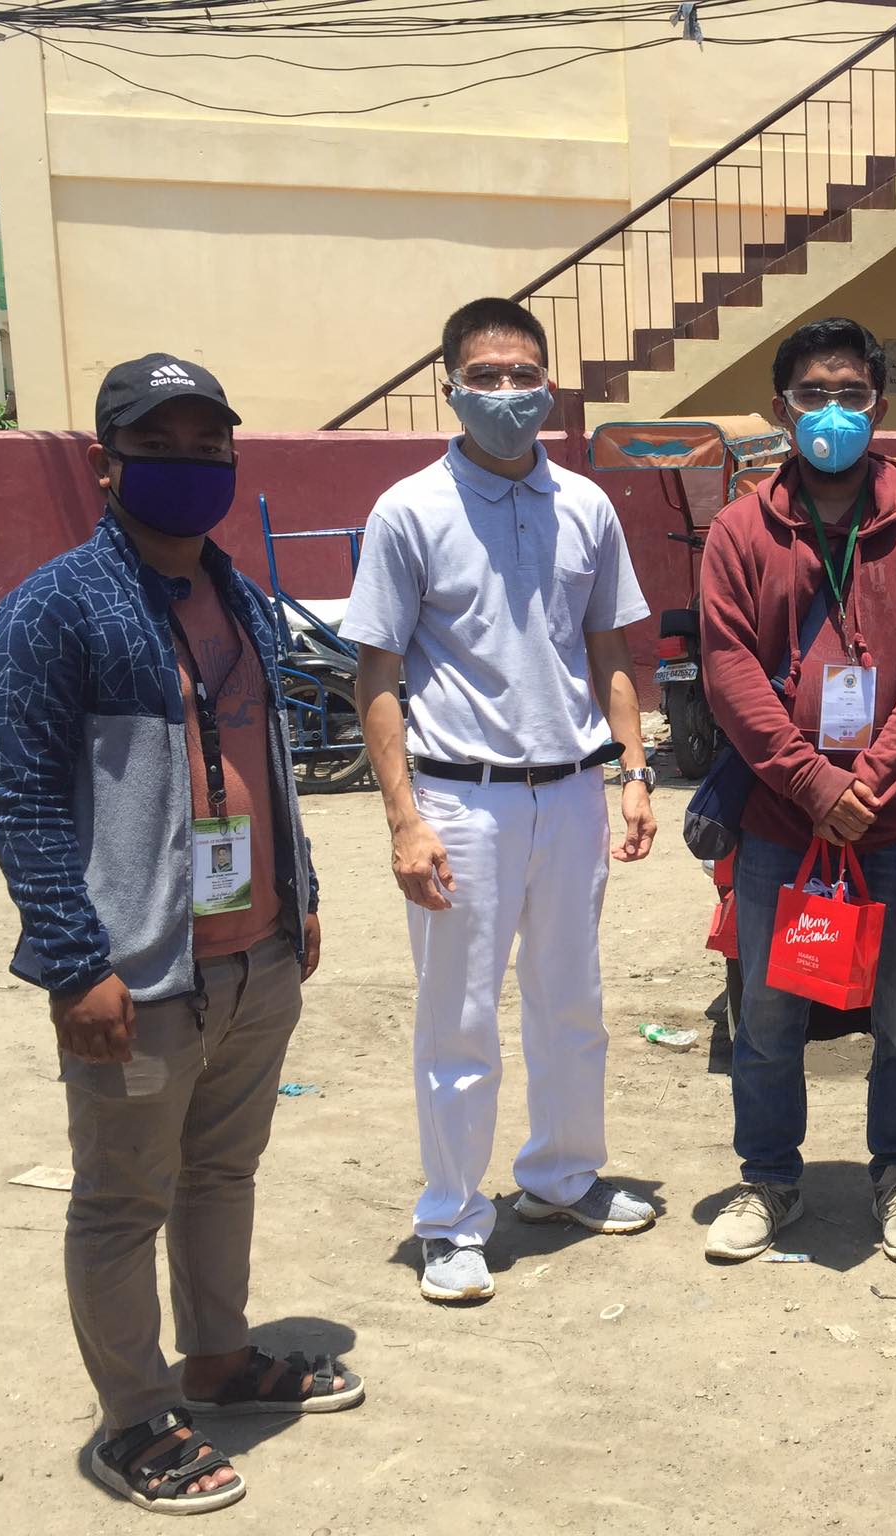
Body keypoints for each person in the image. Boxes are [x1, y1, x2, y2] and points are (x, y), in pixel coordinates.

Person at [0, 355, 356, 1516]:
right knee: (121, 1200)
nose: (190, 468)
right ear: (104, 464)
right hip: (136, 980)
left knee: (223, 1172)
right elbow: (23, 796)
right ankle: (134, 1418)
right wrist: (73, 960)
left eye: (209, 449)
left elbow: (265, 764)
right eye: (162, 446)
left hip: (253, 959)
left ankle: (219, 1356)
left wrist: (298, 893)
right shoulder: (54, 608)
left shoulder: (238, 595)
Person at [341, 298, 659, 1305]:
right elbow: (377, 675)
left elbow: (609, 645)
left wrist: (633, 769)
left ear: (551, 384)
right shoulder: (409, 511)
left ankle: (561, 1176)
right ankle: (449, 1220)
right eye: (486, 375)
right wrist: (403, 817)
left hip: (568, 793)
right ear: (449, 384)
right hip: (458, 799)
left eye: (525, 374)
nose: (509, 393)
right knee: (459, 1017)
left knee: (572, 1001)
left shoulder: (587, 509)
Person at [698, 316, 896, 1262]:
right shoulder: (739, 532)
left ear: (878, 407)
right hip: (780, 820)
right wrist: (815, 785)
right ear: (781, 411)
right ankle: (770, 1178)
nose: (832, 412)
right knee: (769, 1017)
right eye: (813, 395)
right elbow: (728, 669)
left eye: (851, 394)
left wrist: (871, 785)